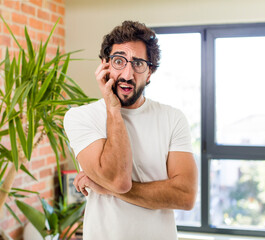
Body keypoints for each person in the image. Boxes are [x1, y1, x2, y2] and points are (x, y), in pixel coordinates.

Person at [63, 20, 198, 240]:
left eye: (138, 64)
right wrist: (113, 109)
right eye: (119, 61)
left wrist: (109, 189)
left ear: (150, 72)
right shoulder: (80, 117)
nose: (127, 74)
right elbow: (119, 179)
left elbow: (185, 196)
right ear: (104, 65)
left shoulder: (173, 118)